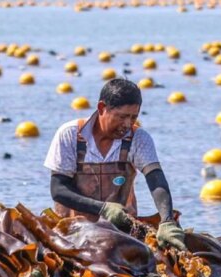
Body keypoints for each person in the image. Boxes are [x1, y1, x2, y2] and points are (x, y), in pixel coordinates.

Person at [43, 78, 186, 251]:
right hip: (70, 235)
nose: (127, 124)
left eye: (133, 117)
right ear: (102, 108)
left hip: (122, 234)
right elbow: (58, 190)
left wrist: (167, 221)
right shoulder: (70, 135)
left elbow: (155, 179)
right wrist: (103, 209)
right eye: (122, 116)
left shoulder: (139, 138)